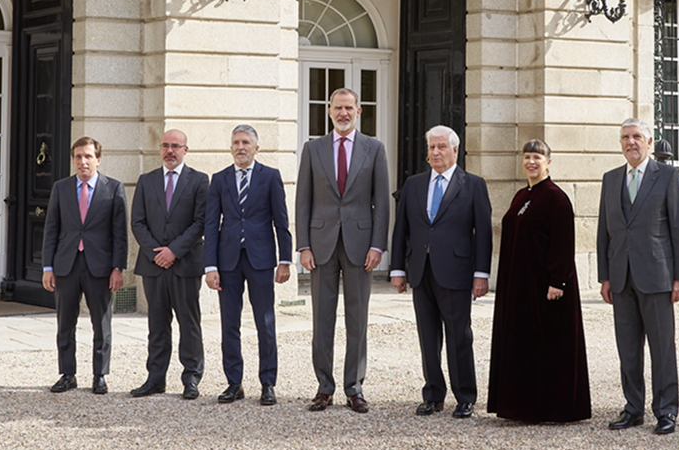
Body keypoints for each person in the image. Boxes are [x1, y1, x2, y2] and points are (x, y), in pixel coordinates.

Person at [296, 88, 390, 413]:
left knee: (357, 321)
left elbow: (381, 202)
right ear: (329, 111)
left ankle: (354, 387)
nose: (343, 113)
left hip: (360, 246)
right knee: (322, 321)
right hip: (320, 247)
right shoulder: (313, 149)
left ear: (359, 111)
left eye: (349, 107)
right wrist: (303, 246)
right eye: (338, 108)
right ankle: (324, 387)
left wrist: (378, 245)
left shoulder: (375, 149)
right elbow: (303, 200)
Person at [597, 118, 679, 435]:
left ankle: (666, 411)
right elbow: (604, 234)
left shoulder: (667, 176)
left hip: (657, 275)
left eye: (637, 136)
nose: (631, 142)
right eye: (625, 137)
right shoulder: (610, 180)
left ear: (649, 142)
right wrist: (605, 277)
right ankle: (633, 408)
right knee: (628, 349)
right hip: (621, 277)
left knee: (662, 347)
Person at [390, 126, 492, 419]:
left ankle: (465, 396)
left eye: (441, 147)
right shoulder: (414, 184)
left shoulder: (473, 185)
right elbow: (402, 230)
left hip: (457, 272)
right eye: (431, 148)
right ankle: (433, 394)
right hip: (421, 272)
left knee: (460, 336)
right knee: (428, 336)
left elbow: (483, 233)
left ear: (455, 151)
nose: (435, 153)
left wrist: (481, 274)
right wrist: (398, 268)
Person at [487, 140, 591, 423]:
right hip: (519, 287)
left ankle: (549, 408)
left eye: (537, 157)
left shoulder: (556, 198)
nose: (531, 162)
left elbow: (563, 243)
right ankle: (520, 407)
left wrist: (558, 281)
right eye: (527, 157)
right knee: (522, 345)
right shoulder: (522, 195)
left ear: (548, 161)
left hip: (547, 288)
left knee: (547, 347)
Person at [204, 124, 293, 406]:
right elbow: (211, 224)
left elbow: (281, 221)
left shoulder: (270, 177)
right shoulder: (219, 179)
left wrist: (285, 260)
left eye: (245, 142)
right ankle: (234, 382)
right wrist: (210, 266)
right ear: (230, 147)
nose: (240, 147)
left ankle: (268, 383)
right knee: (229, 323)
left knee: (265, 322)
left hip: (261, 260)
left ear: (256, 147)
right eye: (235, 143)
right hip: (228, 261)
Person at [42, 136, 128, 395]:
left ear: (98, 160)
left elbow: (120, 234)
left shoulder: (113, 188)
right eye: (78, 156)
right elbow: (51, 229)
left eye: (88, 156)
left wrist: (118, 268)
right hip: (66, 264)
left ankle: (99, 375)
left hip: (100, 267)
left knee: (101, 324)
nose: (83, 161)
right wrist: (48, 267)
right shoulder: (61, 188)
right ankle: (67, 374)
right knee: (65, 323)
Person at [130, 129, 209, 400]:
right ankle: (155, 379)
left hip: (185, 264)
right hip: (153, 266)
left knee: (189, 323)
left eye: (175, 146)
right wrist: (156, 254)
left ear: (186, 150)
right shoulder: (146, 180)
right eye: (165, 146)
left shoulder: (199, 181)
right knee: (157, 325)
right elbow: (137, 222)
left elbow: (200, 222)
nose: (169, 151)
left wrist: (173, 251)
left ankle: (191, 378)